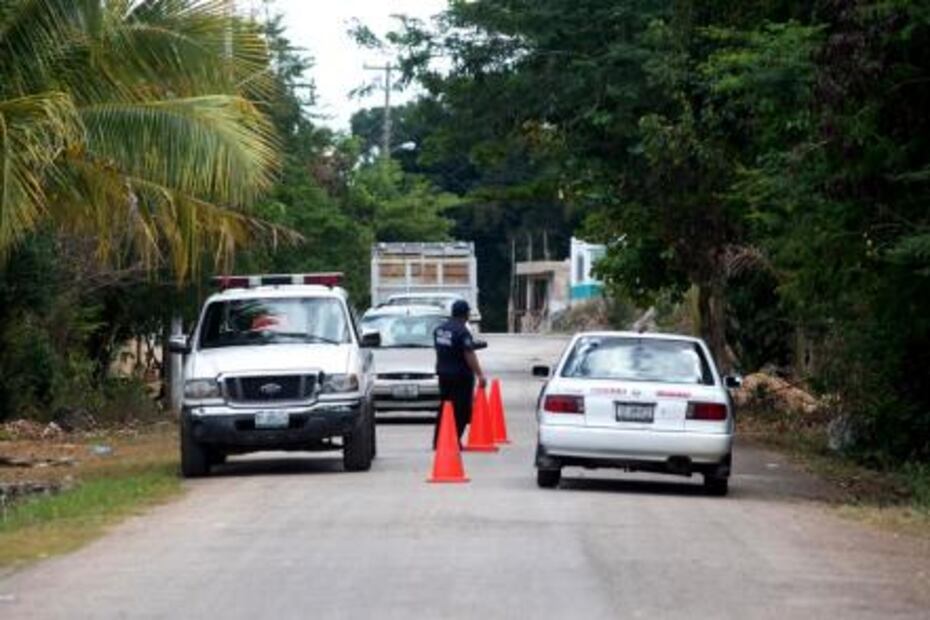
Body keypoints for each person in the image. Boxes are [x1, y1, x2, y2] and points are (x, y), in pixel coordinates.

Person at [433, 300, 486, 448]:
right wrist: (480, 374)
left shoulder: (439, 330)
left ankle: (439, 441)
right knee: (461, 410)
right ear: (465, 314)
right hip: (460, 376)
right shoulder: (462, 331)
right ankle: (453, 440)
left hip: (443, 375)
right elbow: (469, 353)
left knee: (445, 408)